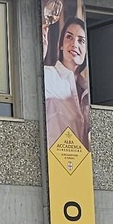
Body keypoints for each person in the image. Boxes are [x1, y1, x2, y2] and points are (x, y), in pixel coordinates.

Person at [44, 16, 91, 148]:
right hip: (54, 157)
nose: (74, 44)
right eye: (69, 37)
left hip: (81, 159)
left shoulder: (87, 89)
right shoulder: (48, 75)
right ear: (61, 45)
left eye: (81, 41)